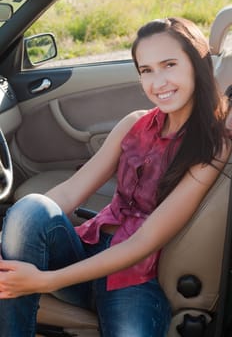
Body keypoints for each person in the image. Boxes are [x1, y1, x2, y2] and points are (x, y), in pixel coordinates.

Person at [0, 17, 230, 337]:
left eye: (169, 64)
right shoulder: (134, 124)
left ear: (197, 63)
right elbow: (70, 193)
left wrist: (46, 281)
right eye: (146, 70)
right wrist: (15, 229)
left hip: (135, 275)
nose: (157, 81)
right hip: (88, 247)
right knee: (29, 208)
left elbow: (144, 241)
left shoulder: (212, 146)